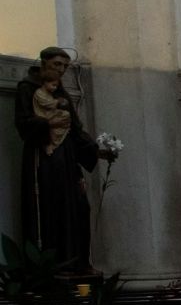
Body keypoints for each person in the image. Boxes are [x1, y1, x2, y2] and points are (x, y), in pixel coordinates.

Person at [11, 46, 108, 270]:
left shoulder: (61, 92)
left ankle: (77, 262)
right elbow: (23, 123)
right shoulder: (27, 88)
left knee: (79, 207)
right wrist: (48, 123)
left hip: (68, 160)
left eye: (65, 66)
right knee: (49, 208)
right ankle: (50, 268)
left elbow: (75, 129)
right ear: (44, 63)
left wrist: (97, 150)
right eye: (57, 64)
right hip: (43, 158)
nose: (62, 70)